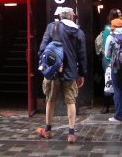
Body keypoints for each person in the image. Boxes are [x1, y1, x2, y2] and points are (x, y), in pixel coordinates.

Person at [36, 7, 87, 144]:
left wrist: (46, 66)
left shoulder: (52, 27)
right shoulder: (78, 31)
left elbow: (42, 49)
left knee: (50, 100)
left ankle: (47, 130)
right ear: (71, 17)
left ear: (60, 17)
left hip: (53, 73)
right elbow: (82, 56)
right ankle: (71, 133)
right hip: (70, 73)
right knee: (71, 102)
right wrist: (81, 74)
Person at [95, 8, 122, 113]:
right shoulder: (108, 29)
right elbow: (107, 48)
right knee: (109, 81)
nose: (121, 15)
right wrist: (110, 60)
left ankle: (115, 106)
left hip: (117, 59)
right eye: (119, 13)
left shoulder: (118, 29)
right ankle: (107, 106)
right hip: (109, 60)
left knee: (115, 82)